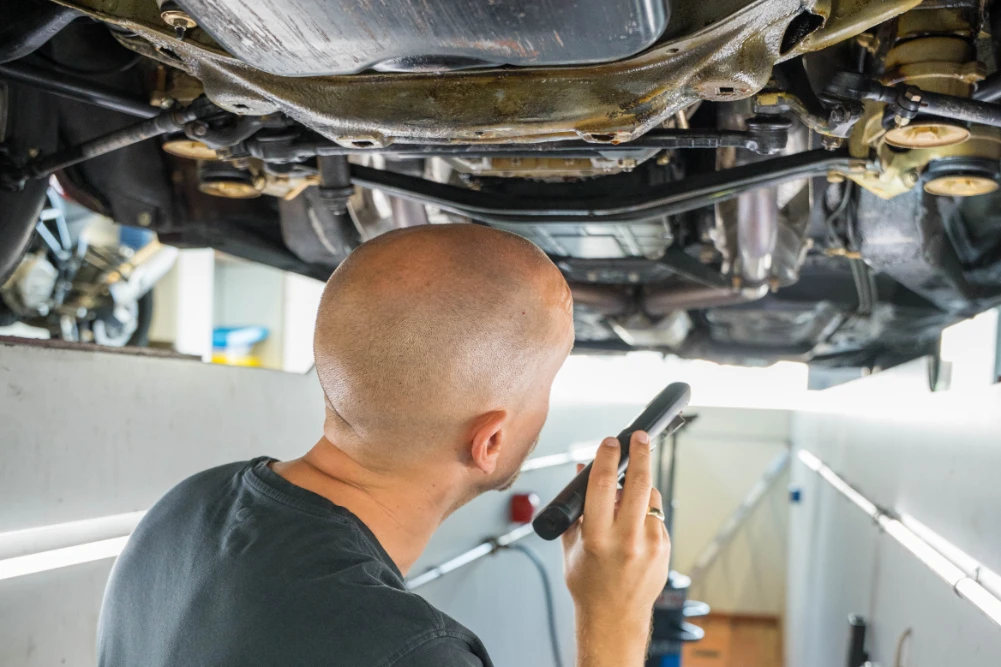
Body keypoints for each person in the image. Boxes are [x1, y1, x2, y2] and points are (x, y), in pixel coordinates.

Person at [98, 224, 670, 667]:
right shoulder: (411, 652)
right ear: (489, 441)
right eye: (546, 385)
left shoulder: (186, 507)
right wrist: (613, 621)